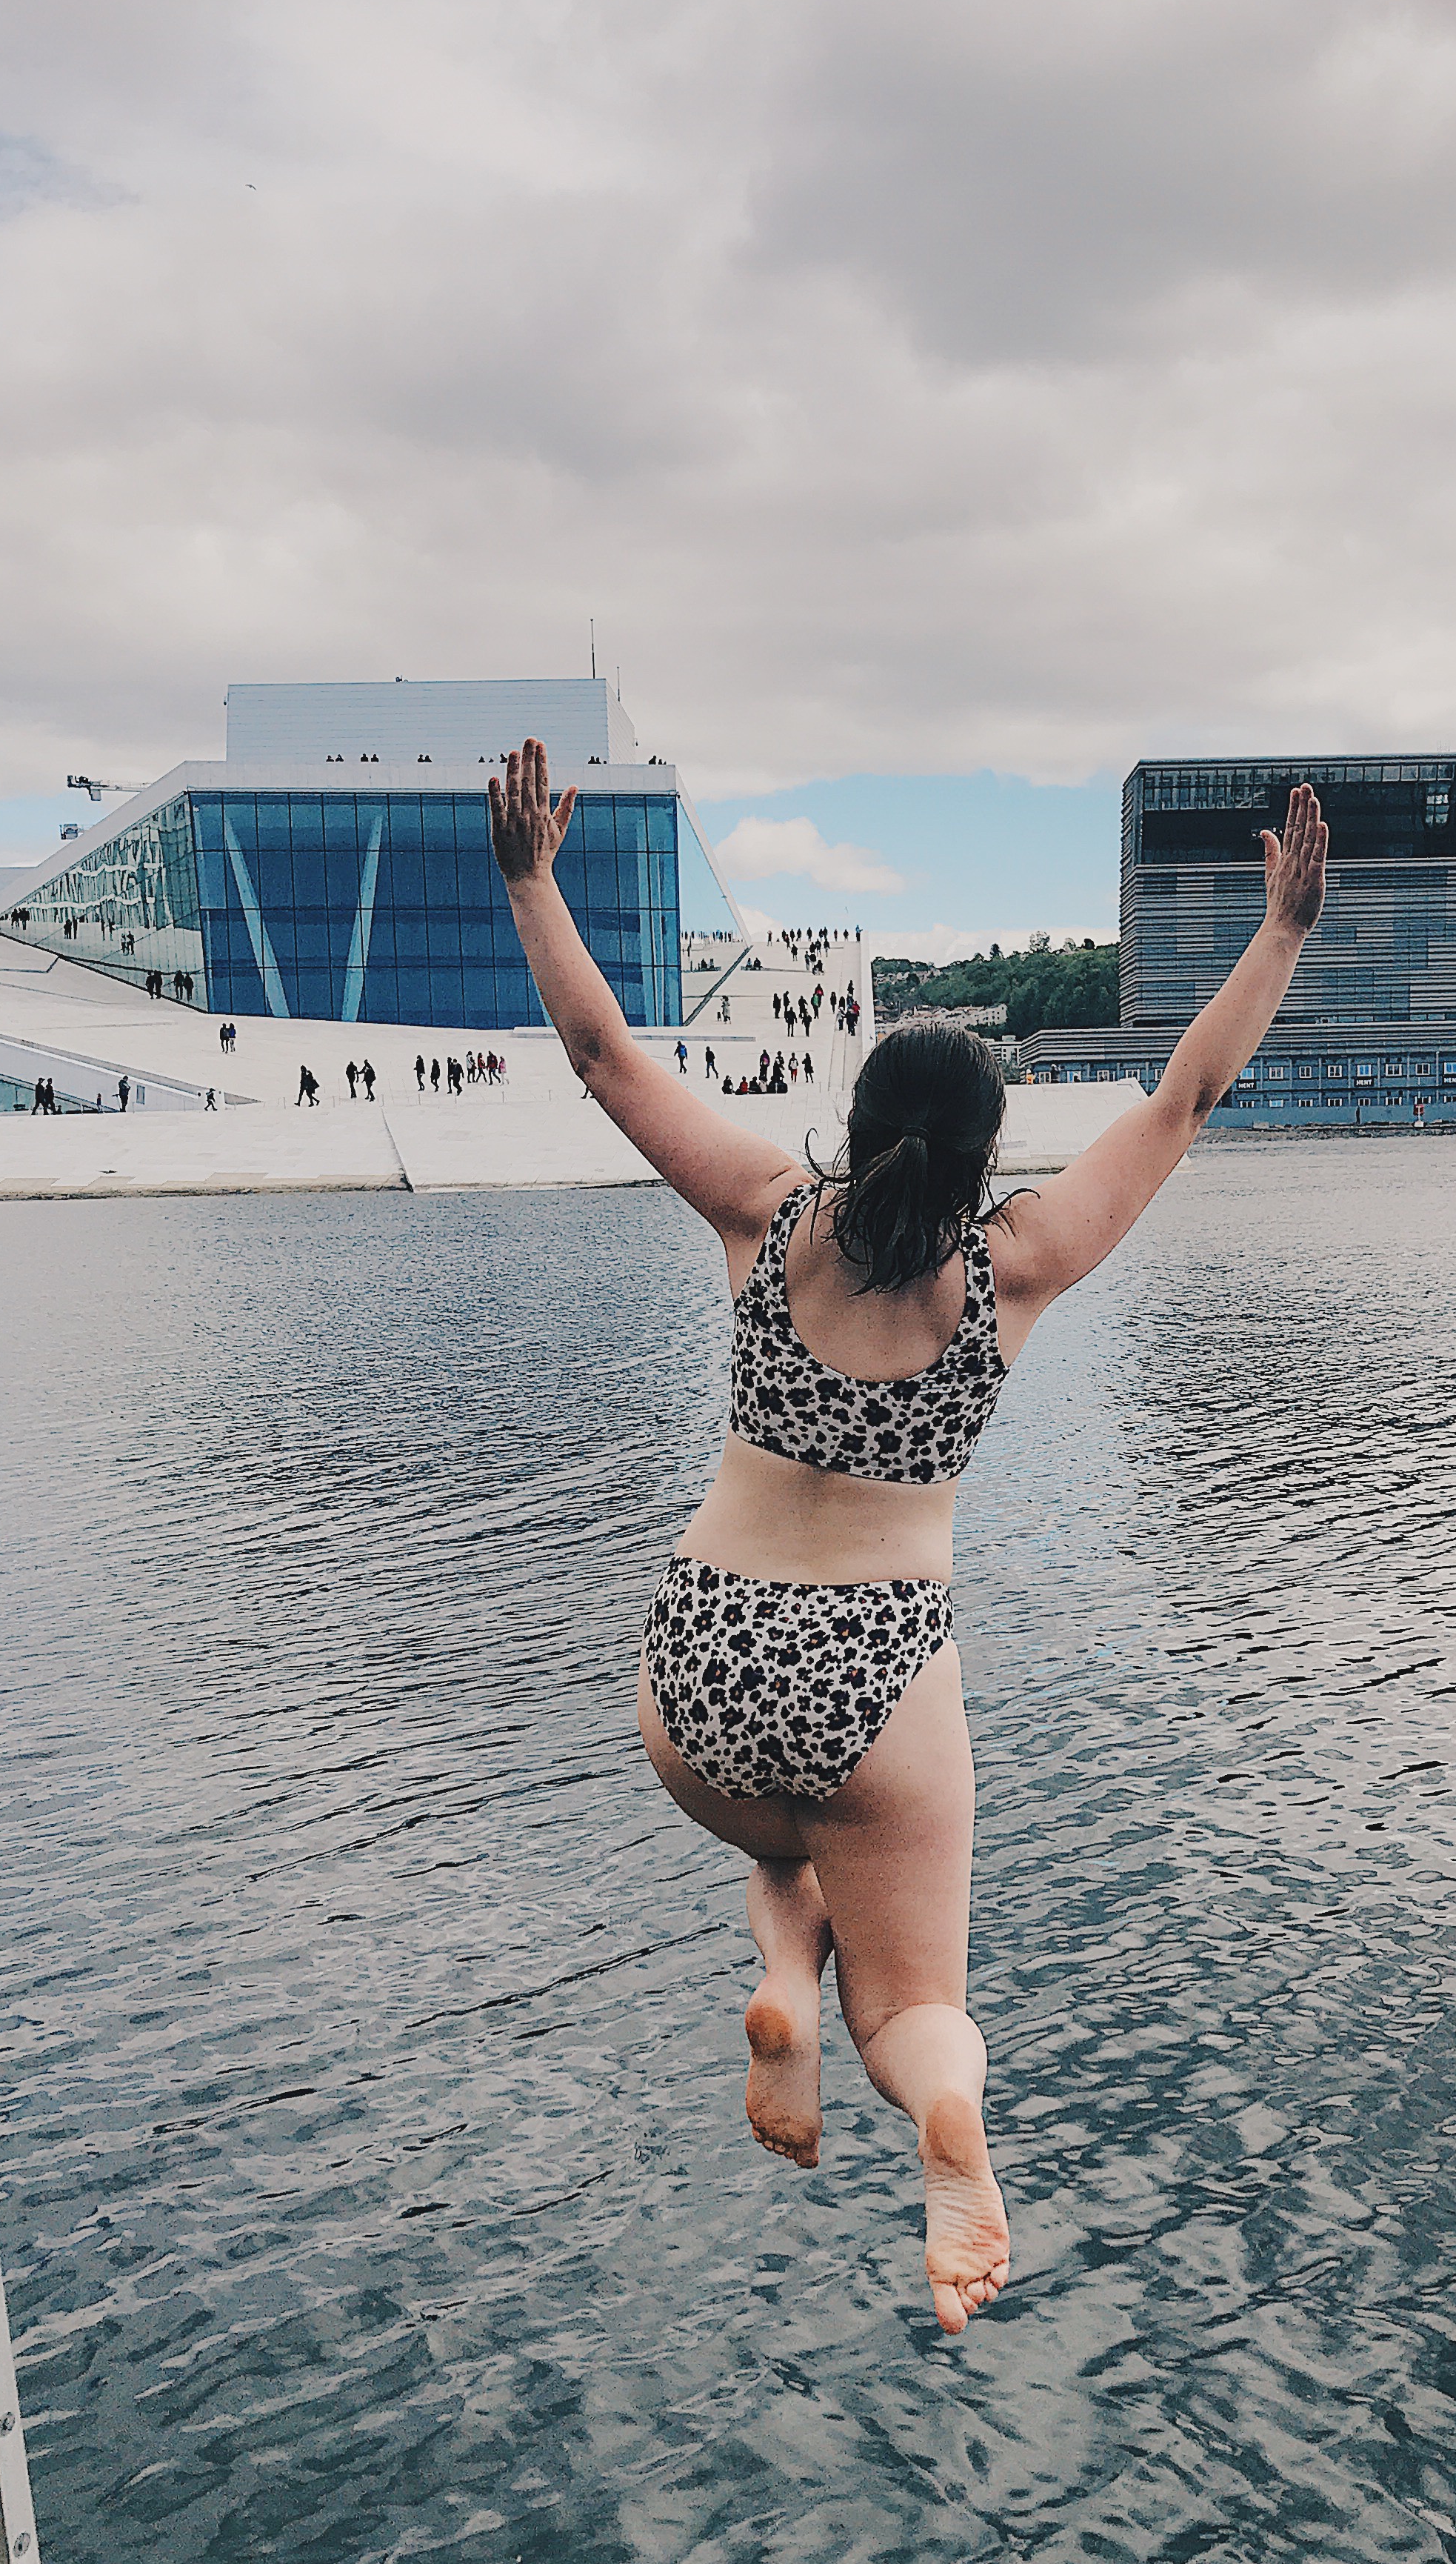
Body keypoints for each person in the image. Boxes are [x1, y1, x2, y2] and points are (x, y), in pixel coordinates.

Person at [489, 739, 1328, 2335]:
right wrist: (1280, 929)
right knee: (918, 1999)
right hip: (878, 1668)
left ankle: (784, 1982)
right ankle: (938, 2111)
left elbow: (600, 1054)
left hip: (700, 1659)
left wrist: (533, 877)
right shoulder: (1014, 1268)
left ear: (858, 1119)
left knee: (789, 1840)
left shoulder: (765, 1215)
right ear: (981, 1157)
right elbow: (1186, 1096)